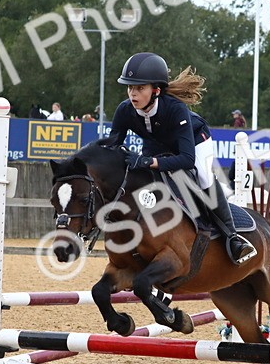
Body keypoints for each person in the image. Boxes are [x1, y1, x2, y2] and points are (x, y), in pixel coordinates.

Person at [99, 51, 257, 265]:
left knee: (202, 177)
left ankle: (233, 238)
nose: (132, 94)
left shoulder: (175, 109)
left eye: (139, 88)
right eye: (130, 87)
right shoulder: (125, 110)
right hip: (156, 144)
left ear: (155, 90)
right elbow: (112, 144)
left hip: (195, 141)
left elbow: (186, 159)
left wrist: (150, 162)